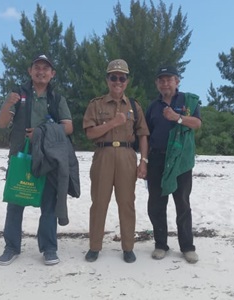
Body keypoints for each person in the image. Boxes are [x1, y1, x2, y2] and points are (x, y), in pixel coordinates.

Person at [0, 54, 76, 266]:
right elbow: (2, 123)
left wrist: (42, 132)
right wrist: (7, 104)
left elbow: (68, 127)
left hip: (48, 158)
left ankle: (49, 248)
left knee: (48, 204)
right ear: (30, 71)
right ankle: (11, 247)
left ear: (52, 74)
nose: (41, 71)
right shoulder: (18, 94)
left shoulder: (57, 99)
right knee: (15, 202)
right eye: (37, 67)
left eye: (46, 68)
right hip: (20, 156)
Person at [82, 59, 150, 263]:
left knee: (127, 203)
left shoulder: (134, 107)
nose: (117, 81)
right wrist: (113, 123)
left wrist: (143, 161)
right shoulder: (96, 104)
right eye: (113, 77)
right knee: (99, 202)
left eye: (122, 77)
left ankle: (128, 247)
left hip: (127, 156)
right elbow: (90, 133)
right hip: (103, 155)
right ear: (107, 79)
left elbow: (143, 134)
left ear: (127, 81)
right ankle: (94, 246)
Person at [144, 66, 202, 263]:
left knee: (182, 203)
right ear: (157, 84)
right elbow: (146, 134)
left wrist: (177, 118)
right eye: (161, 80)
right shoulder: (152, 107)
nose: (165, 83)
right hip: (157, 159)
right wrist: (144, 160)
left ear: (177, 81)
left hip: (181, 160)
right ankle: (161, 244)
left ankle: (187, 247)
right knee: (156, 204)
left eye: (169, 79)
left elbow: (197, 123)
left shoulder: (188, 101)